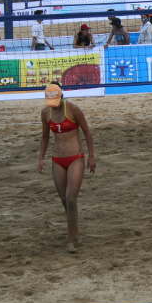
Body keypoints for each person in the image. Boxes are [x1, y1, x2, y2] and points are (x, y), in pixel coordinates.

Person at [38, 83, 96, 253]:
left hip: (75, 157)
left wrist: (91, 156)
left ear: (61, 96)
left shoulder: (73, 109)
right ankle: (75, 230)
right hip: (57, 159)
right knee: (65, 200)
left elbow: (87, 132)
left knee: (71, 198)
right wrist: (40, 157)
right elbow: (44, 137)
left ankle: (71, 238)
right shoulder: (45, 113)